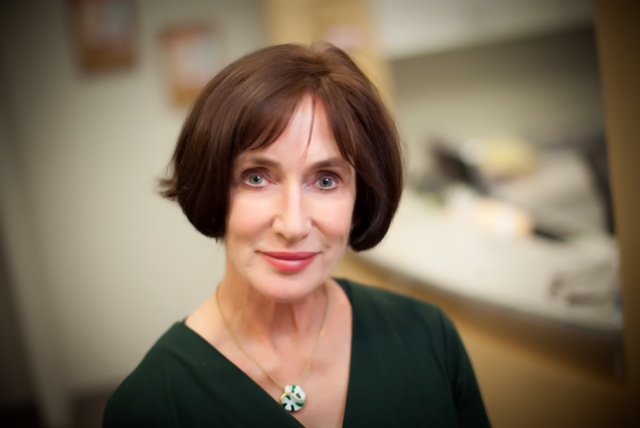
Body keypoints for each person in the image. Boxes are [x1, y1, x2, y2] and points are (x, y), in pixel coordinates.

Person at [103, 42, 490, 427]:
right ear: (212, 187)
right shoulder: (149, 404)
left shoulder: (428, 338)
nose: (293, 225)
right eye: (256, 178)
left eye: (326, 180)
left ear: (361, 197)